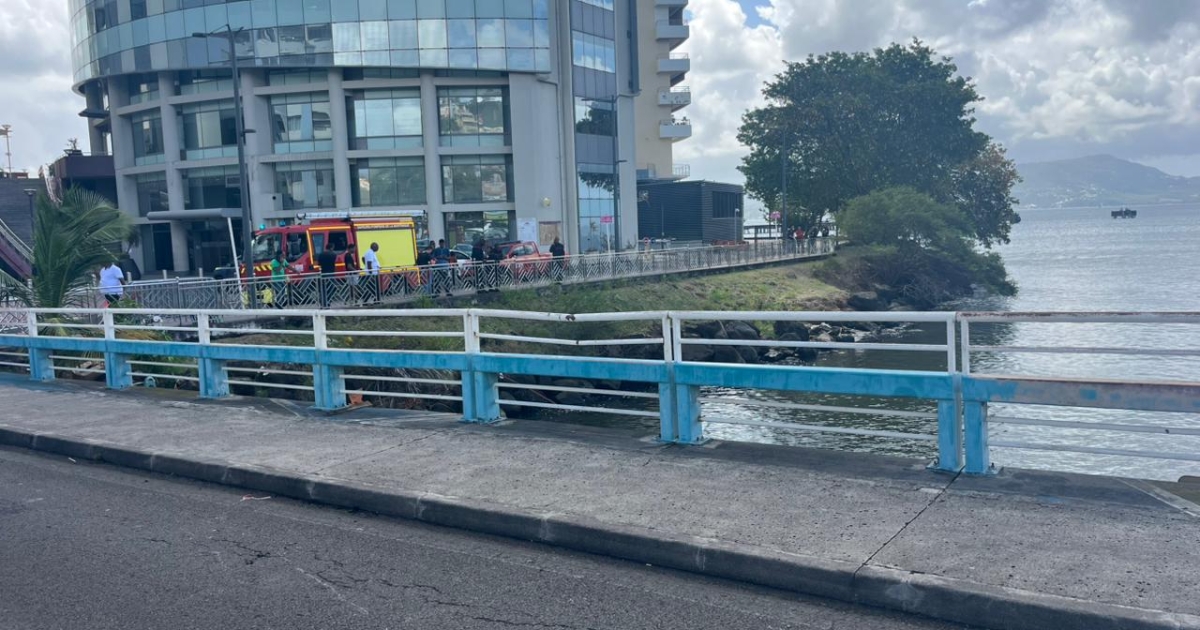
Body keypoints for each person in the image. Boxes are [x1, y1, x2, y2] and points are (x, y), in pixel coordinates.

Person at [316, 241, 338, 307]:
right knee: (332, 288)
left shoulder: (321, 254)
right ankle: (328, 302)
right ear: (331, 248)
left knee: (323, 289)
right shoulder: (334, 255)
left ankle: (323, 303)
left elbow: (319, 264)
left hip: (323, 273)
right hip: (331, 273)